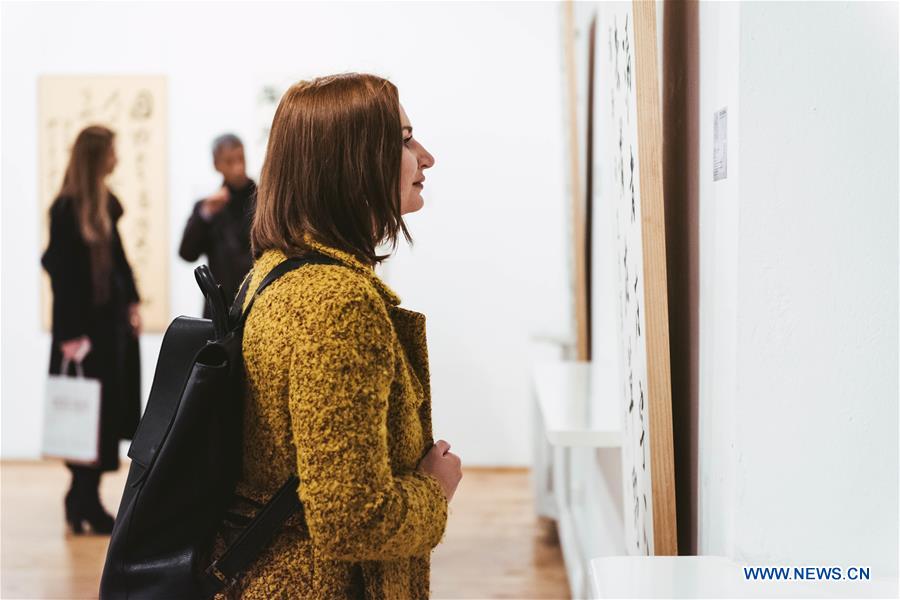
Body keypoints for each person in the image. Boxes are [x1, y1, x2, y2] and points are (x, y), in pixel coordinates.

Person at [212, 73, 462, 599]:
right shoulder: (336, 304)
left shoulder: (277, 271)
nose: (426, 157)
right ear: (355, 160)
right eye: (405, 139)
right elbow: (353, 518)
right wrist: (435, 491)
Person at [41, 125, 142, 535]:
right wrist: (68, 335)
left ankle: (83, 498)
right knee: (87, 416)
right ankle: (83, 499)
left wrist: (132, 302)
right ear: (98, 156)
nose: (117, 158)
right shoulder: (66, 210)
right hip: (82, 333)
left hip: (108, 328)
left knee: (107, 414)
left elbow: (119, 261)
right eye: (113, 151)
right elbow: (61, 275)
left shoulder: (104, 204)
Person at [178, 133, 256, 316]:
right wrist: (205, 214)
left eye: (241, 159)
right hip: (221, 307)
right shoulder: (208, 207)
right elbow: (187, 253)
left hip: (257, 301)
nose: (238, 167)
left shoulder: (264, 201)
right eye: (229, 161)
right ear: (216, 165)